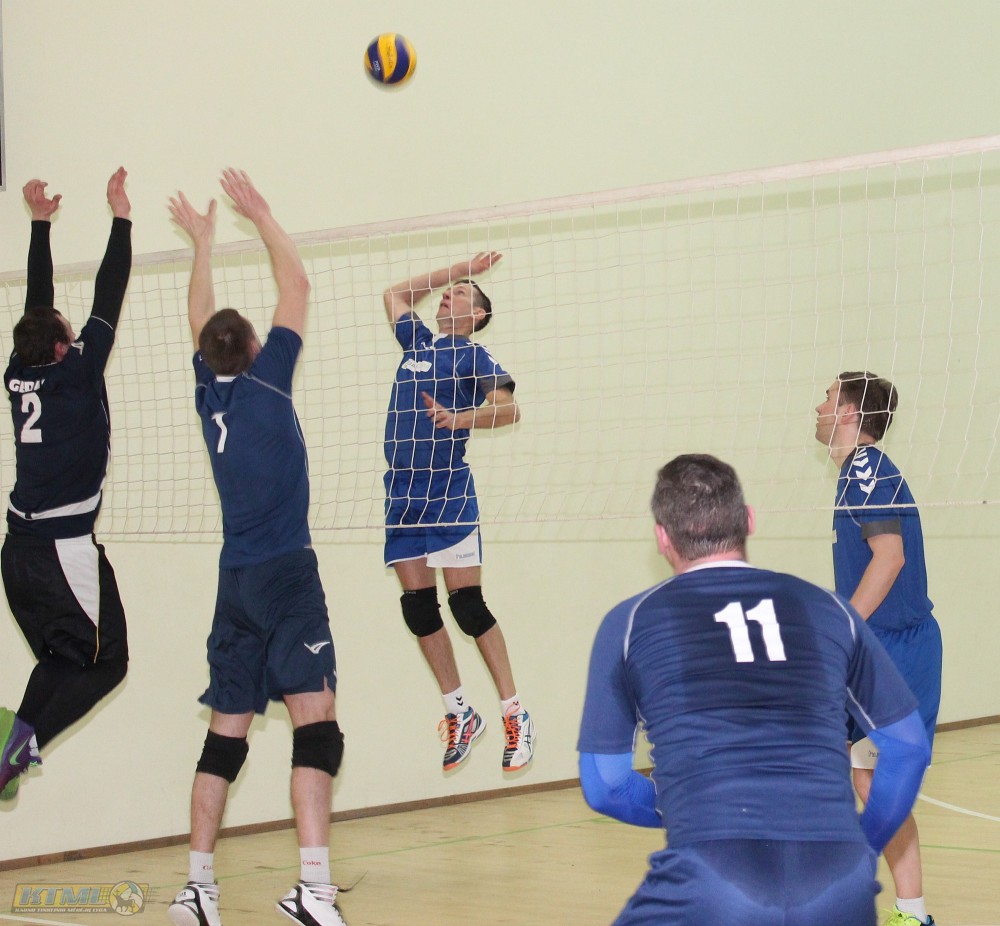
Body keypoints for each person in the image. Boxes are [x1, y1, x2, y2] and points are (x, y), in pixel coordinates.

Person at [577, 453, 932, 926]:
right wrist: (864, 846)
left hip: (712, 879)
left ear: (662, 538)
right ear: (748, 520)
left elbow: (605, 786)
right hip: (840, 883)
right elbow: (907, 748)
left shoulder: (629, 623)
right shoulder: (830, 610)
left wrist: (684, 801)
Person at [166, 170, 346, 926]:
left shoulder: (210, 390)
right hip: (285, 575)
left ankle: (198, 888)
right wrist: (263, 215)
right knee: (318, 725)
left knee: (225, 738)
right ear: (256, 347)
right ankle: (314, 891)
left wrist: (203, 244)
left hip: (234, 581)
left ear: (212, 354)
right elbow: (295, 281)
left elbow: (199, 318)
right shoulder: (268, 381)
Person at [1, 169, 132, 801]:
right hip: (61, 551)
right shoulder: (77, 371)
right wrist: (121, 219)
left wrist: (39, 225)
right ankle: (12, 757)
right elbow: (110, 290)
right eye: (69, 332)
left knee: (62, 659)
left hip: (17, 555)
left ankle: (13, 744)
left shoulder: (16, 373)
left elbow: (38, 303)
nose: (78, 333)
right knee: (108, 664)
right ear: (60, 348)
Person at [382, 253, 534, 772]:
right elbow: (395, 294)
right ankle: (460, 712)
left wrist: (459, 417)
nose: (450, 296)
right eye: (450, 292)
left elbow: (509, 409)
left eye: (463, 294)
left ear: (478, 315)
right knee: (418, 610)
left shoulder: (474, 354)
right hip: (402, 493)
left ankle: (514, 712)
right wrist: (456, 270)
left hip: (446, 490)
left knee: (466, 605)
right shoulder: (419, 344)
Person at [815, 371, 943, 926]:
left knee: (874, 779)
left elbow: (889, 558)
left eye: (826, 398)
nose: (818, 407)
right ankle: (910, 911)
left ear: (848, 412)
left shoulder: (866, 467)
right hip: (880, 646)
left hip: (894, 647)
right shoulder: (854, 474)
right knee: (866, 777)